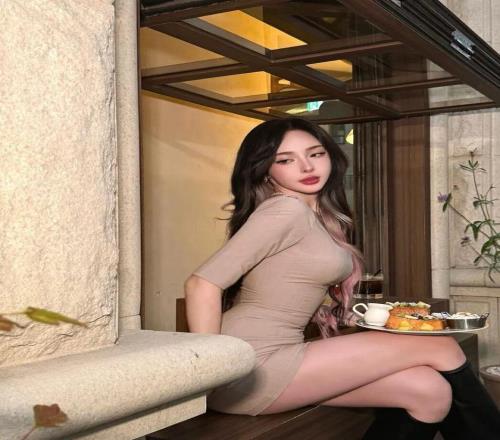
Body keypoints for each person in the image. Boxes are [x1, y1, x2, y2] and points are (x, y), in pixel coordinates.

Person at [184, 118, 500, 439]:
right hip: (253, 363)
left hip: (281, 353)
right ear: (266, 170)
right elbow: (201, 284)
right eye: (286, 160)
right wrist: (213, 371)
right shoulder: (285, 211)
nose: (307, 166)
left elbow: (287, 288)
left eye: (315, 154)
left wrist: (343, 314)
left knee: (428, 391)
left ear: (330, 156)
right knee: (441, 346)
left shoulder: (314, 215)